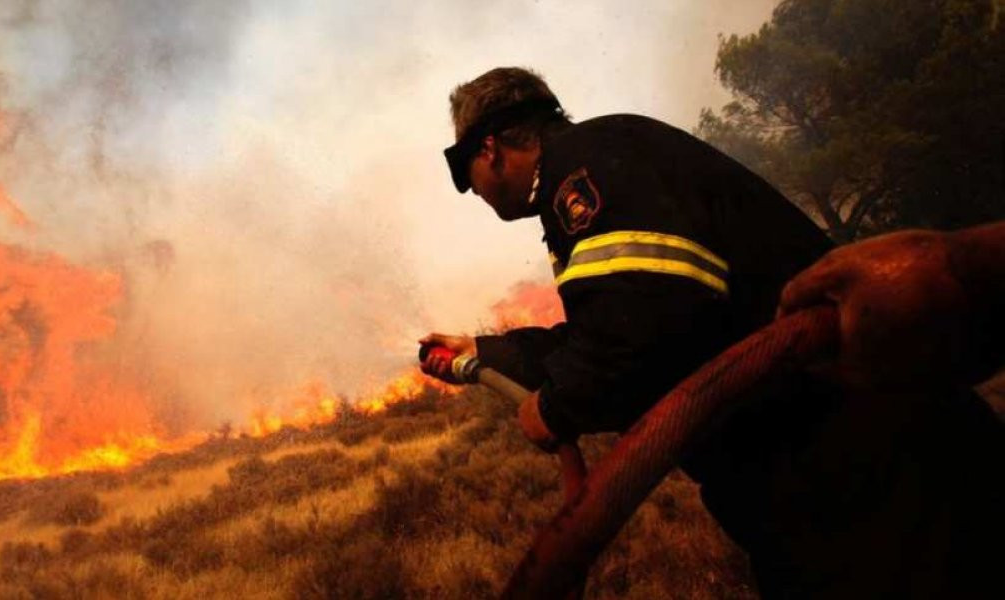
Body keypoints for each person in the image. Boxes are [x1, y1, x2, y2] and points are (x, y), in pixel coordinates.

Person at [420, 67, 1004, 597]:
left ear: (489, 148)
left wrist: (556, 406)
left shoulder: (585, 167)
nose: (471, 190)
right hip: (830, 490)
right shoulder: (602, 165)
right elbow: (618, 328)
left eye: (462, 172)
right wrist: (488, 352)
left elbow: (644, 331)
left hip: (877, 487)